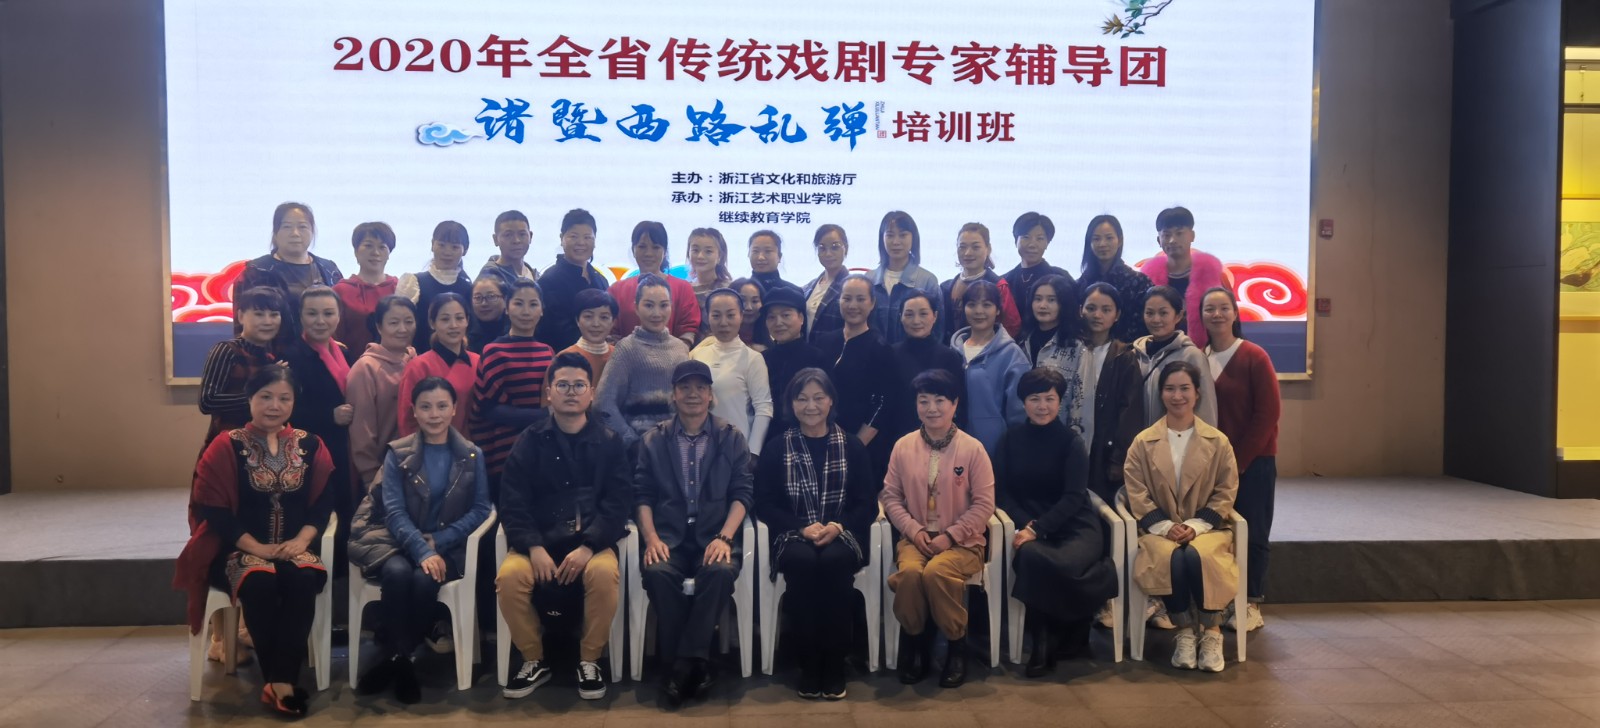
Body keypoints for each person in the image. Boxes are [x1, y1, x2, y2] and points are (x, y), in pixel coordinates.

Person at [175, 366, 334, 718]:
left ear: (294, 403)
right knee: (260, 581)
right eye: (265, 397)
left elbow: (324, 501)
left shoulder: (311, 444)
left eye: (284, 398)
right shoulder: (226, 445)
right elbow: (212, 508)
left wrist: (303, 539)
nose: (274, 405)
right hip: (237, 550)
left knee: (303, 579)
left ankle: (278, 680)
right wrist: (255, 547)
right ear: (249, 399)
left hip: (294, 547)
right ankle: (282, 684)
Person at [347, 377, 490, 703]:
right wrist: (422, 549)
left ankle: (396, 658)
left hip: (447, 547)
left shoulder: (471, 455)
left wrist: (440, 540)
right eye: (425, 407)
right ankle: (404, 659)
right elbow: (394, 511)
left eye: (442, 406)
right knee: (397, 573)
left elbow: (481, 509)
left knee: (425, 581)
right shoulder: (398, 453)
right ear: (414, 410)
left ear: (454, 409)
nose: (434, 414)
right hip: (397, 541)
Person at [497, 352, 631, 700]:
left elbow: (618, 505)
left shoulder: (610, 442)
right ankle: (533, 659)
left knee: (604, 574)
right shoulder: (529, 441)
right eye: (563, 385)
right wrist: (534, 546)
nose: (571, 392)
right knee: (509, 577)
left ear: (591, 393)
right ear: (549, 393)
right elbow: (512, 502)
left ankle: (589, 660)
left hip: (591, 544)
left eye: (579, 385)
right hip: (536, 544)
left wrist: (588, 546)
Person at [634, 361, 754, 706]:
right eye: (685, 387)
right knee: (657, 572)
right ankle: (697, 664)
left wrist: (725, 537)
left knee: (719, 571)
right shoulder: (653, 440)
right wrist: (651, 538)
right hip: (668, 538)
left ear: (711, 395)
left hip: (715, 536)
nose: (693, 394)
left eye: (701, 387)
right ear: (673, 394)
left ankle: (678, 667)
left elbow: (742, 493)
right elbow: (641, 495)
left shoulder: (731, 437)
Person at [753, 368, 877, 699]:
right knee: (803, 563)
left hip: (843, 532)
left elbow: (867, 503)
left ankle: (834, 664)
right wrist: (800, 527)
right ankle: (808, 663)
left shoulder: (852, 446)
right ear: (791, 404)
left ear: (831, 401)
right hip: (793, 534)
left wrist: (837, 525)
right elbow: (764, 503)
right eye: (802, 398)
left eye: (818, 397)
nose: (811, 406)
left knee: (835, 563)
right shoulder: (777, 447)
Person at [994, 368, 1118, 677]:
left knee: (1065, 563)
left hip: (1074, 524)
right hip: (1028, 521)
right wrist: (1027, 524)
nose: (1042, 406)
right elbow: (1002, 492)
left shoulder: (1071, 442)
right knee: (1033, 557)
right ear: (1023, 402)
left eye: (1049, 399)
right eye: (1034, 399)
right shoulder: (1010, 439)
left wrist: (1038, 528)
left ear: (1059, 402)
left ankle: (1072, 628)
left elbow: (1074, 496)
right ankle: (1043, 640)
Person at [881, 369, 995, 689]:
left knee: (936, 573)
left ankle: (957, 646)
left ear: (955, 404)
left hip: (963, 542)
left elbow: (984, 504)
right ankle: (915, 644)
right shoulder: (903, 446)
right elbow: (891, 497)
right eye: (924, 401)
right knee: (910, 574)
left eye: (940, 400)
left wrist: (951, 535)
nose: (932, 408)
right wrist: (913, 530)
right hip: (915, 539)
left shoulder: (972, 449)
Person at [1124, 361, 1240, 673]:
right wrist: (1165, 526)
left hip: (1208, 529)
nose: (1177, 396)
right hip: (1159, 530)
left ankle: (1212, 632)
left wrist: (1195, 525)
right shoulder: (1142, 442)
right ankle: (1185, 631)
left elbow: (1226, 489)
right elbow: (1136, 491)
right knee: (1173, 558)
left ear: (1197, 393)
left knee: (1197, 556)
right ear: (1161, 394)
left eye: (1184, 388)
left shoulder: (1218, 441)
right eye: (1170, 389)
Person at [1200, 287, 1279, 633]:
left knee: (1253, 532)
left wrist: (1240, 461)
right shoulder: (1198, 357)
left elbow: (1268, 414)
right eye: (1209, 309)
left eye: (1223, 308)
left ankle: (1250, 602)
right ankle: (1219, 599)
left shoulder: (1254, 356)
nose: (1216, 314)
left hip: (1253, 462)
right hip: (1210, 465)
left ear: (1235, 313)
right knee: (1217, 534)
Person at [280, 287, 356, 558]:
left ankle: (343, 570)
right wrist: (329, 416)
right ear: (300, 316)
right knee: (320, 511)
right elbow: (285, 411)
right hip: (309, 449)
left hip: (342, 445)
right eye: (312, 314)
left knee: (345, 507)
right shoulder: (292, 357)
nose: (320, 321)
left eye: (328, 313)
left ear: (339, 316)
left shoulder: (343, 352)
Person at [472, 279, 554, 496]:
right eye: (518, 303)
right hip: (505, 455)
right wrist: (545, 415)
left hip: (542, 452)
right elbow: (488, 409)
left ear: (542, 310)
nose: (526, 311)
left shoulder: (547, 352)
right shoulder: (494, 351)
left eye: (533, 304)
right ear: (507, 308)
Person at [814, 275, 896, 482]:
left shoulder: (880, 347)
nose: (853, 305)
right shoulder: (824, 341)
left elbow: (883, 404)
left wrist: (855, 445)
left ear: (872, 303)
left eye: (860, 299)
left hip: (862, 443)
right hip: (821, 436)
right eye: (847, 298)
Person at [595, 274, 692, 446]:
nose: (657, 313)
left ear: (671, 306)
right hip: (639, 450)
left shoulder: (681, 348)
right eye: (649, 305)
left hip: (678, 446)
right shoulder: (626, 349)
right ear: (636, 307)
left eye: (664, 305)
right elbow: (604, 403)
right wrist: (631, 442)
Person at [1078, 283, 1145, 505]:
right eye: (1091, 308)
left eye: (1106, 310)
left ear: (1117, 315)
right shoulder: (1069, 349)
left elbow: (1130, 412)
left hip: (1104, 452)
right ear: (1080, 310)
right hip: (1072, 445)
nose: (1097, 315)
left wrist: (1119, 458)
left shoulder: (1124, 357)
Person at [200, 286, 285, 451]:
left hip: (265, 448)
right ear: (240, 316)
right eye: (259, 314)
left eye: (274, 314)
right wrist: (261, 393)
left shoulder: (271, 358)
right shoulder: (226, 350)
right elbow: (207, 402)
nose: (268, 321)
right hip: (228, 447)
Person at [691, 288, 774, 456]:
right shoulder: (697, 355)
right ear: (707, 317)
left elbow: (763, 407)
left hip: (736, 449)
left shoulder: (753, 358)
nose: (723, 322)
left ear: (741, 316)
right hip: (697, 448)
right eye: (716, 315)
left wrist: (753, 452)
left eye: (730, 315)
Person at [950, 281, 1030, 455]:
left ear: (998, 310)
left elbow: (1019, 414)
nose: (979, 311)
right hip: (952, 447)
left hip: (994, 450)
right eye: (972, 304)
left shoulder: (1012, 355)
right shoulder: (952, 352)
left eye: (987, 305)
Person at [347, 296, 417, 489]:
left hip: (416, 467)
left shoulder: (415, 360)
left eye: (409, 321)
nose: (403, 329)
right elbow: (362, 430)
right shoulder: (366, 368)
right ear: (379, 327)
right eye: (394, 323)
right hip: (382, 473)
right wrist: (370, 475)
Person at [232, 202, 344, 321]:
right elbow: (242, 323)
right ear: (275, 232)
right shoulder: (256, 271)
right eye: (287, 227)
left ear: (312, 231)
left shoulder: (329, 269)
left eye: (302, 227)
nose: (295, 233)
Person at [1138, 207, 1227, 349]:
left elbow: (1230, 318)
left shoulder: (1213, 274)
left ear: (1192, 236)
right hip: (1159, 352)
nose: (1172, 240)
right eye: (1166, 235)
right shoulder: (1146, 280)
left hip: (1209, 351)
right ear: (1159, 240)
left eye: (1179, 233)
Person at [1133, 286, 1217, 427]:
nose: (1156, 319)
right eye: (1149, 313)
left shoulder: (1192, 356)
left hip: (1177, 438)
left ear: (1178, 316)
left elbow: (1206, 408)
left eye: (1163, 313)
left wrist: (1205, 439)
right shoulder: (1134, 355)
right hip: (1139, 440)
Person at [399, 293, 478, 437]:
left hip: (475, 446)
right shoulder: (419, 367)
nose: (453, 325)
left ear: (467, 320)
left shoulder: (478, 362)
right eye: (445, 319)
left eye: (459, 318)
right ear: (432, 323)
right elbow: (407, 420)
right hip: (431, 447)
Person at [610, 221, 700, 346]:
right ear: (633, 250)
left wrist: (674, 353)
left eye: (656, 247)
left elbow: (688, 330)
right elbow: (609, 331)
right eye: (642, 247)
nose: (648, 253)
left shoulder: (683, 288)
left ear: (665, 251)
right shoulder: (616, 290)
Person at [890, 290, 964, 440]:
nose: (916, 321)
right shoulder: (891, 354)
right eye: (909, 314)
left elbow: (960, 405)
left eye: (923, 314)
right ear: (901, 317)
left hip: (941, 439)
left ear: (934, 316)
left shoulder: (950, 357)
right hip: (897, 438)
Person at [536, 209, 612, 351]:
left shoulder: (601, 280)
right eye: (574, 236)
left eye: (587, 237)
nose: (581, 243)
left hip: (601, 355)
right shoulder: (549, 280)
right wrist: (599, 338)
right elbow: (554, 330)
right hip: (565, 358)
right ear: (561, 238)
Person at [760, 287, 827, 439]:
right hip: (767, 439)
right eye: (771, 317)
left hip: (808, 436)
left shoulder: (817, 358)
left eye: (786, 315)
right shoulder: (761, 359)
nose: (778, 322)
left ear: (801, 318)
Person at [1019, 274, 1085, 428]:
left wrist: (1076, 438)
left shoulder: (1077, 347)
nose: (1043, 305)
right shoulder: (1021, 342)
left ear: (1064, 304)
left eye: (1051, 300)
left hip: (1061, 432)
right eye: (1038, 299)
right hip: (1023, 429)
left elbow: (1081, 401)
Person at [397, 221, 475, 351]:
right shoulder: (413, 282)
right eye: (441, 245)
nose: (447, 252)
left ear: (465, 250)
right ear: (432, 245)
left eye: (455, 247)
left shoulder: (469, 287)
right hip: (418, 356)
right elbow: (400, 324)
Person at [868, 211, 943, 346]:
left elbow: (938, 331)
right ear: (882, 238)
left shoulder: (927, 281)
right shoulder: (869, 280)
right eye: (890, 235)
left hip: (916, 356)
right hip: (873, 356)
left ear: (913, 238)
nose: (896, 242)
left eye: (903, 235)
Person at [1077, 215, 1152, 343]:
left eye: (1109, 238)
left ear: (1120, 240)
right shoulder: (1080, 284)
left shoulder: (1139, 283)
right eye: (1096, 239)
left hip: (1128, 351)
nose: (1102, 244)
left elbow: (1144, 325)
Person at [940, 223, 1022, 339]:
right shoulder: (946, 287)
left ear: (988, 249)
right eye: (962, 247)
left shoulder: (998, 286)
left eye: (975, 247)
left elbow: (1012, 326)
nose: (967, 253)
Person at [333, 222, 399, 353]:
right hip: (350, 362)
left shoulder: (400, 288)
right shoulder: (340, 291)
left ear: (389, 253)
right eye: (368, 246)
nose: (375, 253)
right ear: (356, 251)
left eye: (382, 247)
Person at [1001, 212, 1074, 319]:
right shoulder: (1005, 281)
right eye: (1026, 237)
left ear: (1047, 243)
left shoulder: (1061, 277)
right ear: (1016, 241)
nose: (1032, 244)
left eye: (1040, 238)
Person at [747, 230, 804, 347]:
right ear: (748, 254)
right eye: (755, 251)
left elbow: (802, 334)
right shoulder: (741, 291)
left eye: (768, 251)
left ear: (779, 256)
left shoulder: (794, 292)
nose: (761, 257)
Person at [556, 289, 618, 384]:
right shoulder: (564, 358)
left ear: (613, 322)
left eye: (604, 317)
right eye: (588, 316)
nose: (596, 324)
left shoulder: (619, 356)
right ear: (577, 320)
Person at [802, 224, 851, 343]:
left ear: (845, 248)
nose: (828, 253)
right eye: (822, 248)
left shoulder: (852, 287)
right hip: (807, 352)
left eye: (835, 247)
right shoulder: (807, 288)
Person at [478, 210, 540, 290]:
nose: (516, 240)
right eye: (508, 235)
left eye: (522, 234)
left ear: (530, 236)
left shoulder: (536, 276)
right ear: (495, 239)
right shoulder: (488, 278)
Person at [687, 227, 733, 313]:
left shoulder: (730, 288)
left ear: (720, 256)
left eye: (708, 251)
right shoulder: (685, 289)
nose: (700, 256)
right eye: (695, 250)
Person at [465, 277, 511, 356]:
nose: (484, 303)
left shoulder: (516, 330)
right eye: (478, 298)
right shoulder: (465, 333)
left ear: (505, 299)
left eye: (491, 296)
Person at [732, 278, 766, 350]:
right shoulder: (714, 340)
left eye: (755, 301)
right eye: (742, 300)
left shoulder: (773, 337)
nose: (748, 308)